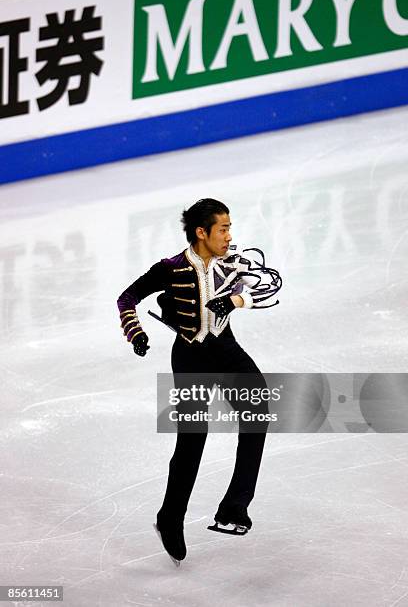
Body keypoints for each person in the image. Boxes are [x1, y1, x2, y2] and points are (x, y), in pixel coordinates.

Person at [116, 198, 282, 566]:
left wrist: (235, 301)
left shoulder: (232, 260)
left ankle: (234, 508)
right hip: (190, 357)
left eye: (229, 228)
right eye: (222, 229)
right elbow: (127, 297)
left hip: (225, 349)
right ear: (201, 232)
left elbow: (265, 287)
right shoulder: (171, 268)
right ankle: (169, 518)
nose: (229, 236)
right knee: (193, 441)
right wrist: (136, 332)